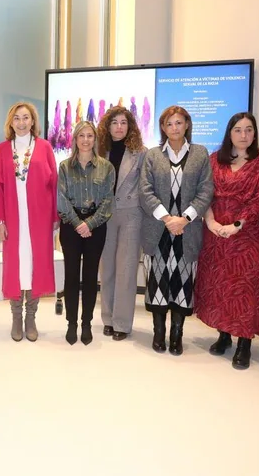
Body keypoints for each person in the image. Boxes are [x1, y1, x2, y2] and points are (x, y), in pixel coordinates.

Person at [194, 113, 259, 369]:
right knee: (219, 283)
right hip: (216, 233)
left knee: (245, 288)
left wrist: (237, 225)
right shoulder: (213, 161)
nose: (244, 135)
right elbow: (203, 194)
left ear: (254, 134)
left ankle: (244, 343)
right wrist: (211, 223)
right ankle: (223, 335)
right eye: (238, 130)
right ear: (229, 132)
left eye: (249, 130)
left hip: (249, 236)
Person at [140, 105, 214, 355]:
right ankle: (159, 332)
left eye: (179, 123)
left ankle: (177, 334)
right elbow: (145, 191)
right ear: (163, 127)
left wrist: (184, 218)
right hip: (157, 229)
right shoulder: (152, 155)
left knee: (182, 283)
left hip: (187, 230)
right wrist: (166, 218)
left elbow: (206, 190)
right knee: (157, 282)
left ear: (187, 125)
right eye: (169, 124)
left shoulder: (200, 154)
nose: (174, 128)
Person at [0, 102, 58, 342]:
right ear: (11, 122)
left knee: (35, 265)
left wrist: (54, 218)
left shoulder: (45, 147)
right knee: (16, 267)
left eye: (25, 118)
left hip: (38, 218)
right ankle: (16, 317)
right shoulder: (2, 150)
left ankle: (31, 318)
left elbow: (54, 184)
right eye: (16, 118)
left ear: (33, 121)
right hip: (13, 218)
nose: (21, 122)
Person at [57, 120, 114, 346]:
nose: (86, 140)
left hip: (96, 227)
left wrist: (89, 224)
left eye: (90, 136)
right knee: (71, 277)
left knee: (90, 278)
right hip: (70, 227)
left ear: (95, 139)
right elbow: (61, 199)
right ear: (75, 140)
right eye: (81, 136)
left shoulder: (106, 167)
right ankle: (72, 323)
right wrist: (76, 223)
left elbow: (108, 201)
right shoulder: (64, 166)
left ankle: (87, 323)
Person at [96, 106, 146, 341]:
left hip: (131, 215)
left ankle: (122, 323)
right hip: (105, 215)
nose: (119, 127)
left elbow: (146, 188)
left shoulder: (141, 153)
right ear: (107, 126)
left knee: (126, 271)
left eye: (123, 122)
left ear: (130, 126)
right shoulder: (99, 151)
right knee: (107, 269)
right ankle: (107, 318)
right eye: (114, 122)